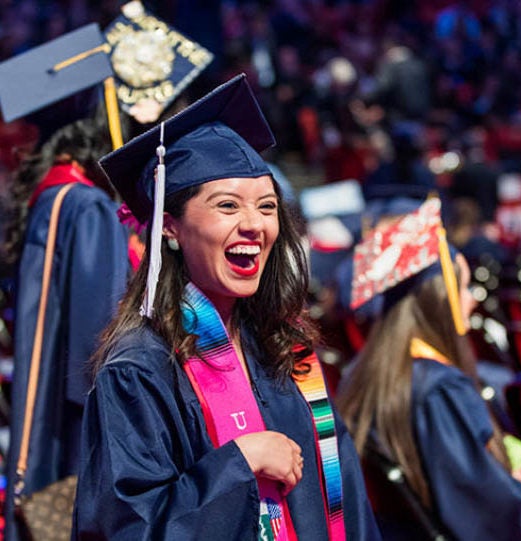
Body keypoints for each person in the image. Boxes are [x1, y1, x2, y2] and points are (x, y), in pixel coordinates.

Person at [72, 74, 381, 540]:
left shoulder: (283, 346)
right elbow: (127, 529)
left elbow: (345, 495)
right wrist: (240, 463)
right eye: (228, 206)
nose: (254, 224)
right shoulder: (139, 370)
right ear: (170, 227)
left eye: (267, 206)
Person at [337, 198, 521, 540]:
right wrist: (513, 490)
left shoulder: (362, 374)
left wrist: (500, 483)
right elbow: (497, 523)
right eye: (464, 287)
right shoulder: (439, 389)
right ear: (439, 298)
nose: (473, 298)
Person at [1, 115, 130, 540]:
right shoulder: (88, 206)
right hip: (77, 412)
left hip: (43, 398)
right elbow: (99, 332)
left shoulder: (50, 196)